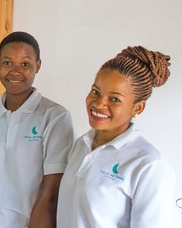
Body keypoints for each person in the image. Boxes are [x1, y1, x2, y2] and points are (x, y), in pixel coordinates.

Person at [57, 46, 175, 227]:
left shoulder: (148, 165)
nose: (98, 103)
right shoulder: (81, 146)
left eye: (114, 99)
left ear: (138, 108)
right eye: (96, 92)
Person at [0, 31, 74, 227]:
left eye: (25, 64)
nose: (15, 71)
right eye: (7, 63)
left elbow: (50, 194)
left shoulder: (55, 117)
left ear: (37, 66)